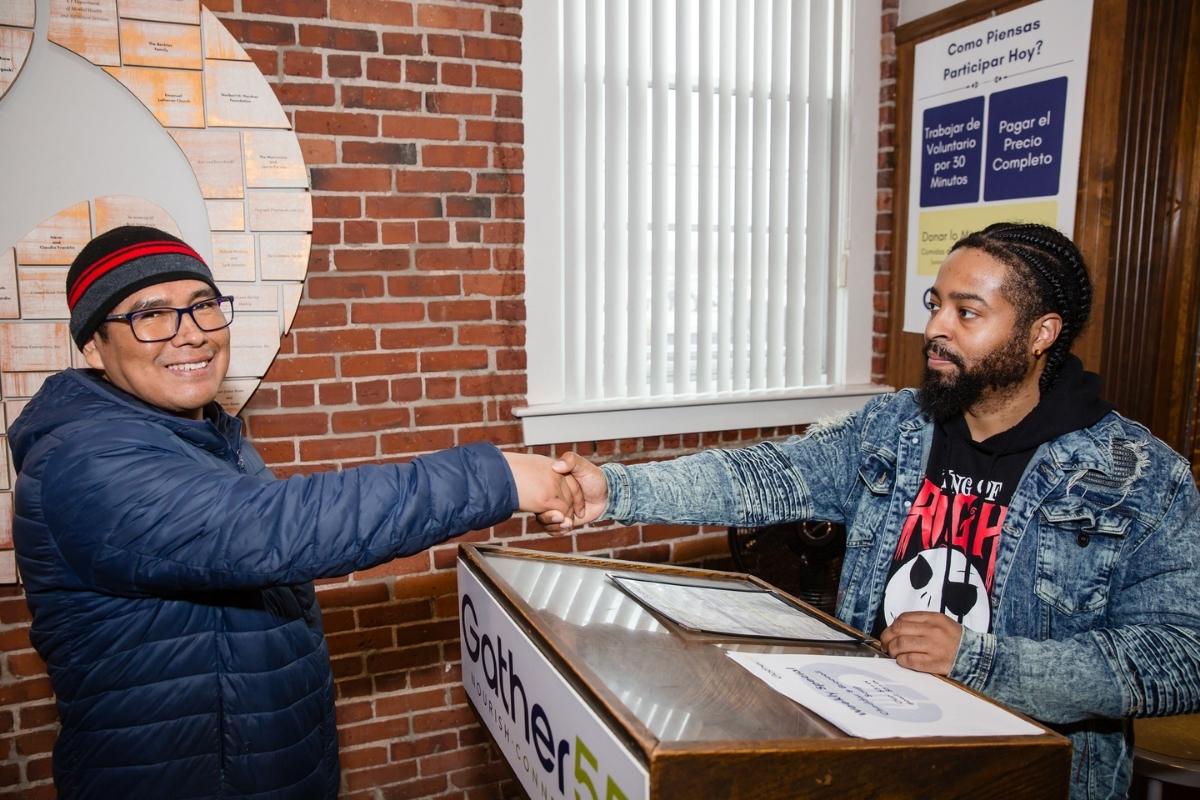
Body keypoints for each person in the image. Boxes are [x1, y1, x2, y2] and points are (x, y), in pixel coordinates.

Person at [540, 222, 1200, 800]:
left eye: (967, 313)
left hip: (1020, 776)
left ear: (1040, 334)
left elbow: (1180, 658)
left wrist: (980, 661)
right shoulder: (895, 427)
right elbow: (765, 475)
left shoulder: (1138, 477)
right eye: (935, 304)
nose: (936, 328)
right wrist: (614, 490)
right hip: (870, 754)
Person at [10, 225, 583, 799]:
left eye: (203, 305)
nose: (191, 333)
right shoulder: (84, 460)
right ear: (93, 346)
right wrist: (496, 477)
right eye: (150, 315)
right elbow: (272, 528)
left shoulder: (200, 436)